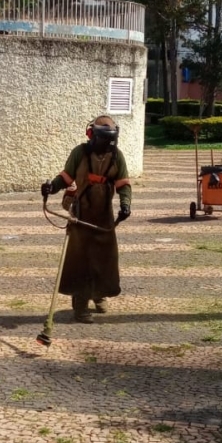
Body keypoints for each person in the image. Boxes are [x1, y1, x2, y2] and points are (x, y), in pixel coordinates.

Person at [41, 115, 131, 323]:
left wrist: (125, 204)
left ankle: (99, 295)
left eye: (110, 141)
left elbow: (123, 184)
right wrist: (51, 188)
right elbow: (65, 178)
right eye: (103, 141)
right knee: (81, 261)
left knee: (104, 258)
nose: (107, 145)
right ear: (92, 135)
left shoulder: (117, 156)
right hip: (81, 214)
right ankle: (80, 306)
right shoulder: (79, 153)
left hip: (104, 216)